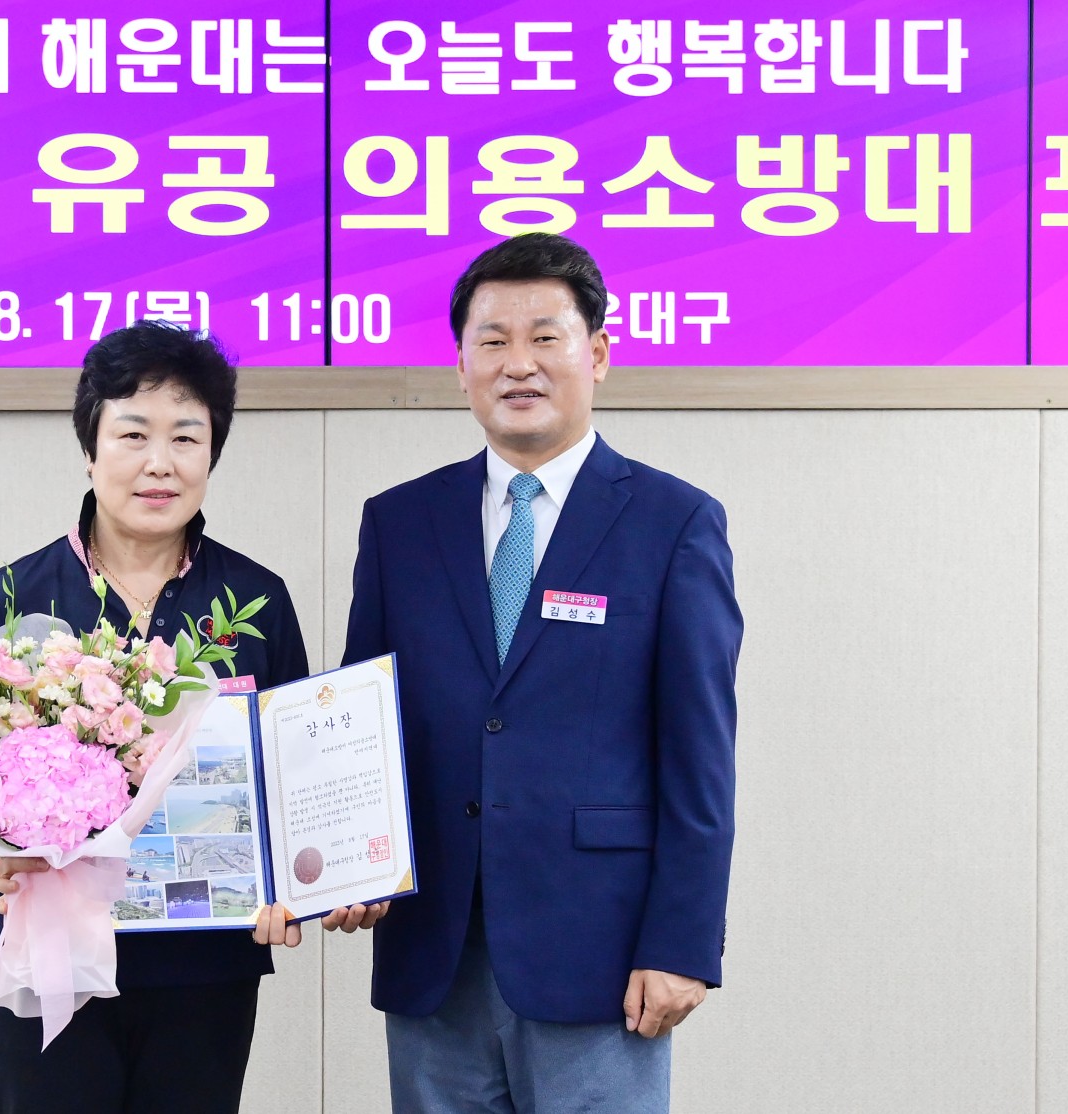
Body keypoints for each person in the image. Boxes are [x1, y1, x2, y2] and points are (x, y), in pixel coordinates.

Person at [336, 233, 743, 1113]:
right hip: (434, 948)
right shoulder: (400, 524)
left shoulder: (673, 524)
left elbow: (700, 759)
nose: (518, 363)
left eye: (545, 337)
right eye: (492, 340)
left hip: (600, 951)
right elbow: (359, 725)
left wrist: (681, 943)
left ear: (597, 355)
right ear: (461, 368)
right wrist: (340, 865)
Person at [0, 320, 310, 1114]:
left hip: (202, 965)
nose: (159, 462)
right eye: (133, 434)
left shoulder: (256, 600)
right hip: (46, 955)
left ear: (211, 454)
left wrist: (296, 883)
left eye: (186, 437)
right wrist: (2, 862)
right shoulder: (13, 597)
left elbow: (292, 774)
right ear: (91, 447)